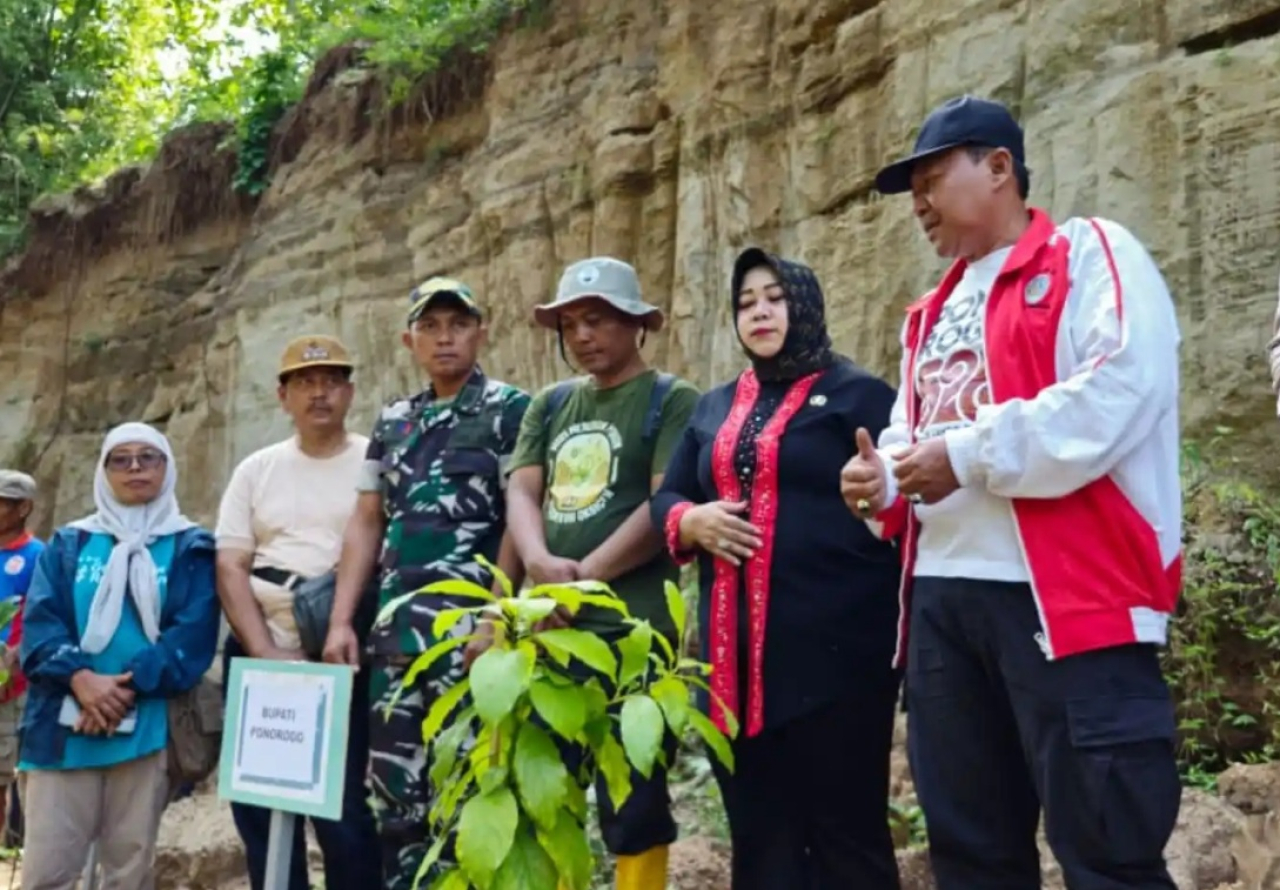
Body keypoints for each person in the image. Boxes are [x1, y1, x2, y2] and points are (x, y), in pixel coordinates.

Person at [840, 94, 1183, 889]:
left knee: (1110, 855)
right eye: (912, 188)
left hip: (1070, 608)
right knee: (971, 853)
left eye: (931, 178)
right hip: (942, 610)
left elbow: (1118, 392)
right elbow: (908, 435)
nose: (918, 203)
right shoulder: (928, 313)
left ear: (1000, 168)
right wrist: (881, 480)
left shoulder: (1091, 253)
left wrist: (965, 453)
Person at [649, 248, 903, 889]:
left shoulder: (861, 396)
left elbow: (908, 502)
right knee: (761, 845)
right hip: (733, 676)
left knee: (848, 836)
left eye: (774, 297)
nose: (759, 311)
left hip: (839, 666)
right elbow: (666, 498)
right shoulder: (712, 408)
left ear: (806, 305)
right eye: (744, 302)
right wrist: (691, 522)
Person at [324, 277, 529, 889]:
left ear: (481, 332)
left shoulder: (510, 410)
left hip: (469, 644)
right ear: (409, 339)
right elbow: (367, 521)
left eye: (459, 324)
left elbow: (521, 516)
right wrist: (341, 620)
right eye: (432, 327)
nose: (446, 338)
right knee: (394, 802)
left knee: (470, 794)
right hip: (395, 644)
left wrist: (498, 618)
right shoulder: (393, 421)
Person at [503, 256, 700, 890]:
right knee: (548, 787)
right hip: (550, 632)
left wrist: (580, 578)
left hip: (634, 631)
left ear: (636, 324)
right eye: (570, 324)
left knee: (634, 795)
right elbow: (523, 493)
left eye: (599, 320)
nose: (583, 335)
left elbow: (663, 504)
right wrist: (535, 563)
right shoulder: (550, 403)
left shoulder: (672, 400)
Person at [17, 422, 221, 890]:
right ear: (103, 471)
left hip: (146, 731)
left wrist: (117, 692)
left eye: (148, 457)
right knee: (47, 874)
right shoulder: (71, 542)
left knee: (129, 874)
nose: (134, 468)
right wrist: (82, 681)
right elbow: (41, 626)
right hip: (61, 732)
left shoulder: (191, 546)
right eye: (121, 459)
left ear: (167, 469)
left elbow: (191, 635)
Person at [214, 334, 380, 890]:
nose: (319, 393)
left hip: (345, 650)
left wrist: (338, 628)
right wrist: (264, 651)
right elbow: (231, 565)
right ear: (282, 395)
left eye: (331, 381)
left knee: (343, 805)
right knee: (258, 802)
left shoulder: (374, 461)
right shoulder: (256, 470)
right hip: (261, 651)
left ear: (350, 392)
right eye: (305, 382)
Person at [0, 470, 42, 846]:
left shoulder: (37, 555)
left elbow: (40, 615)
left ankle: (16, 845)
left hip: (13, 683)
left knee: (9, 769)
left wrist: (16, 658)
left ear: (23, 507)